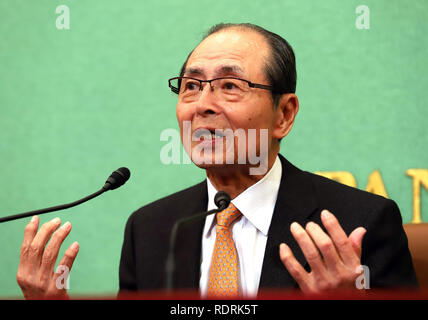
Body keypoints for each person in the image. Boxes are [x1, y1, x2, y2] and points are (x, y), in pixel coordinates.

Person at [16, 23, 418, 299]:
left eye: (230, 85)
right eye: (191, 86)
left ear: (284, 114)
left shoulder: (360, 224)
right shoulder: (151, 229)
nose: (202, 105)